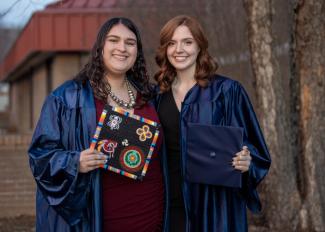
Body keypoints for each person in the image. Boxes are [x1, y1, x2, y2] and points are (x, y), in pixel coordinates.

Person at [28, 17, 165, 232]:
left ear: (137, 51)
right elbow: (40, 156)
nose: (122, 48)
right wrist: (75, 162)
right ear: (100, 47)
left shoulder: (152, 96)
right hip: (96, 220)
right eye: (114, 40)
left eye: (130, 43)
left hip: (151, 216)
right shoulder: (68, 98)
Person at [154, 15, 271, 232]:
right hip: (169, 204)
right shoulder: (156, 96)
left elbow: (255, 150)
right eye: (172, 43)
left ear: (200, 46)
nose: (179, 49)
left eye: (187, 42)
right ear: (165, 49)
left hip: (215, 205)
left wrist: (247, 161)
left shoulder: (227, 92)